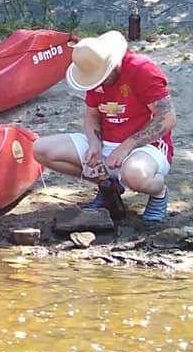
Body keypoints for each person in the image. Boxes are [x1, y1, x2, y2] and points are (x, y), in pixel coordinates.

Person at [32, 31, 176, 222]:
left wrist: (125, 148)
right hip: (107, 141)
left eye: (102, 77)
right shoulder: (92, 72)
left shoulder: (141, 70)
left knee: (135, 173)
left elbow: (167, 118)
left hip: (145, 146)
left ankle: (159, 194)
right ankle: (108, 185)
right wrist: (94, 143)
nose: (99, 83)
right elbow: (92, 115)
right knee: (41, 149)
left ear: (112, 63)